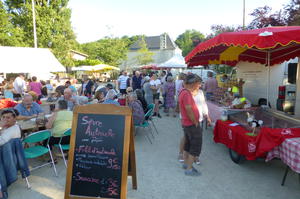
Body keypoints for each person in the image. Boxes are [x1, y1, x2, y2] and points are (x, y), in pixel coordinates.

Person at [178, 73, 203, 176]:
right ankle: (189, 169)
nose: (199, 86)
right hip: (191, 124)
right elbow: (188, 108)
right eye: (198, 83)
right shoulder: (187, 93)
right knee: (195, 146)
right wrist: (195, 122)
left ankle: (186, 163)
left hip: (186, 123)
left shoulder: (183, 92)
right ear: (193, 83)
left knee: (188, 144)